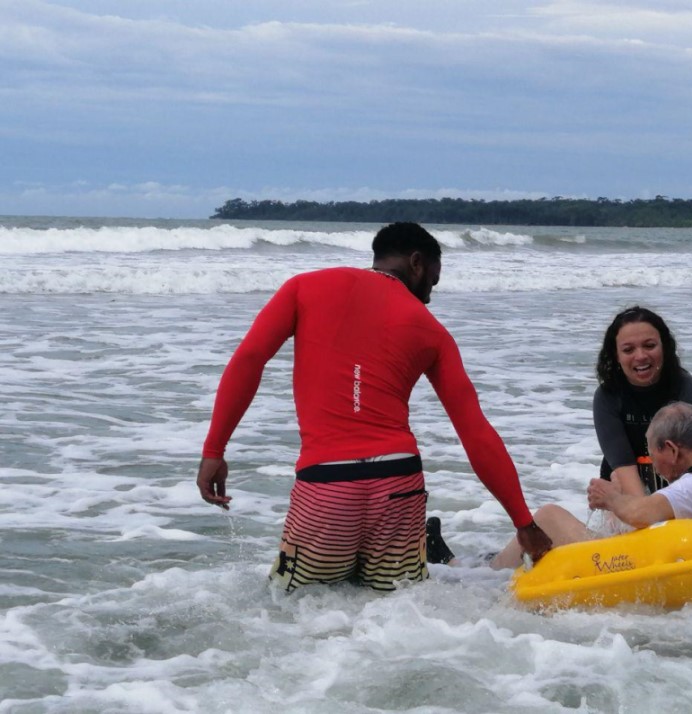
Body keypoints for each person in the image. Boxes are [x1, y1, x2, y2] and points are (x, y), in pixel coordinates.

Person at [196, 222, 552, 592]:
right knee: (395, 617)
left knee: (291, 611)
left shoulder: (305, 287)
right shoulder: (432, 331)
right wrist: (523, 523)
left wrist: (214, 449)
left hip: (327, 485)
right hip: (400, 486)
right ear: (416, 263)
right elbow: (475, 432)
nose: (429, 297)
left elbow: (250, 359)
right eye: (432, 281)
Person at [490, 401, 692, 569]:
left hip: (641, 568)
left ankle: (489, 575)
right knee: (614, 519)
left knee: (548, 516)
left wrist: (610, 497)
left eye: (652, 456)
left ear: (671, 449)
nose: (655, 468)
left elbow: (640, 514)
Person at [593, 306, 692, 497]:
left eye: (649, 346)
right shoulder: (608, 396)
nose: (641, 356)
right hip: (624, 488)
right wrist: (648, 516)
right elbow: (624, 469)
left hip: (680, 488)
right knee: (616, 483)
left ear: (665, 347)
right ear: (616, 355)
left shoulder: (687, 389)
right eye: (628, 349)